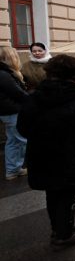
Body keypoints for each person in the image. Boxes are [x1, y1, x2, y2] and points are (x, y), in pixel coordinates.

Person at [17, 55, 75, 247]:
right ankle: (63, 235)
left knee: (53, 192)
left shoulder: (34, 96)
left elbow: (22, 128)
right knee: (68, 193)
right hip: (71, 155)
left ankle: (60, 225)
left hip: (42, 154)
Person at [0, 47, 29, 180]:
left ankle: (13, 169)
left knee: (13, 141)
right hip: (12, 111)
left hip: (7, 111)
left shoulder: (4, 73)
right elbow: (17, 93)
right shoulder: (4, 74)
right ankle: (14, 169)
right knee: (21, 140)